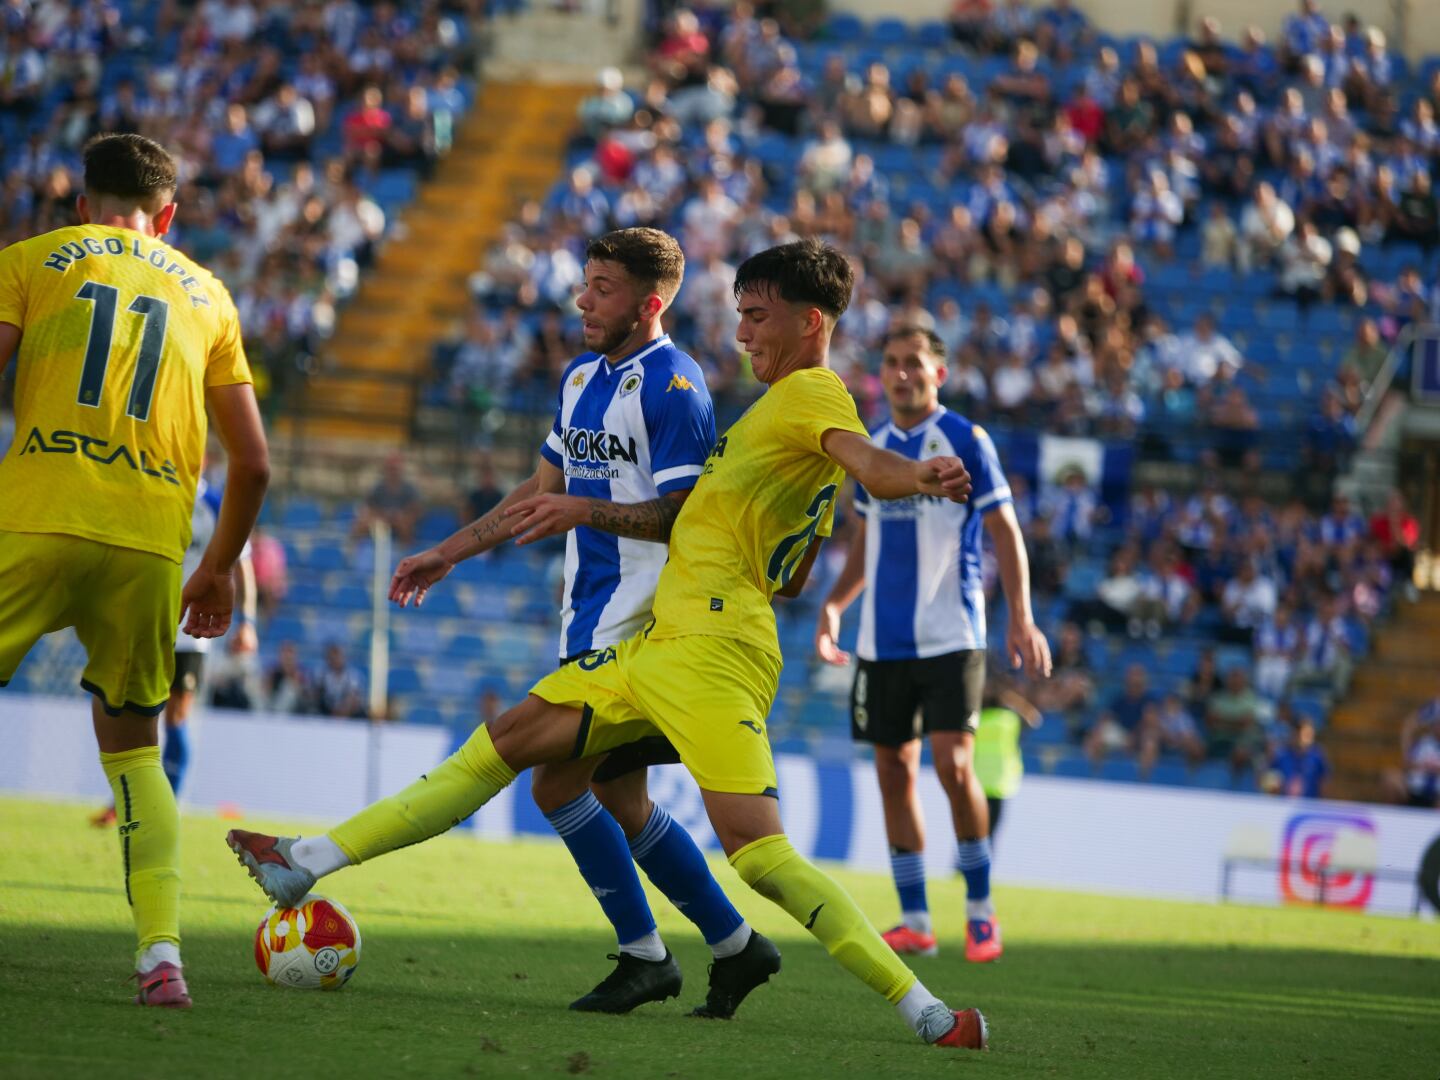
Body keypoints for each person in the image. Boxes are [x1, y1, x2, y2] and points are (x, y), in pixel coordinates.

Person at [227, 239, 989, 1050]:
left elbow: (867, 462)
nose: (740, 336)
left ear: (810, 322)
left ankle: (929, 1014)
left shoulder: (811, 393)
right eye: (739, 317)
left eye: (756, 318)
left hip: (712, 652)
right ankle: (307, 857)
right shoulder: (759, 415)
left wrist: (917, 477)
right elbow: (793, 572)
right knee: (513, 745)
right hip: (657, 647)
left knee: (759, 855)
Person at [303, 228, 769, 1019]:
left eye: (602, 290)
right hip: (587, 619)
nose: (582, 300)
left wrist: (583, 509)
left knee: (554, 781)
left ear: (649, 304)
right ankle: (731, 945)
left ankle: (650, 954)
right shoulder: (583, 375)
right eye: (584, 284)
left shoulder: (677, 387)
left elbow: (685, 516)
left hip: (646, 629)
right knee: (618, 799)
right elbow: (541, 483)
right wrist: (451, 551)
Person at [0, 133, 270, 1007]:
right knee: (135, 752)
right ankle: (162, 959)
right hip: (152, 544)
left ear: (82, 205)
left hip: (36, 519)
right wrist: (219, 569)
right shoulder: (209, 297)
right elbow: (254, 464)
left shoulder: (30, 260)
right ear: (168, 216)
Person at [813, 324, 1051, 962]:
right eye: (891, 363)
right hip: (882, 641)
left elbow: (1004, 526)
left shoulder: (967, 439)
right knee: (894, 771)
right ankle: (915, 919)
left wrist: (1021, 616)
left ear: (937, 374)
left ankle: (978, 909)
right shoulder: (873, 449)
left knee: (953, 765)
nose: (902, 374)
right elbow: (867, 538)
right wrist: (836, 603)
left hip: (952, 633)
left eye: (914, 364)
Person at [91, 474, 258, 823]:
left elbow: (243, 566)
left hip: (191, 631)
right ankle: (125, 799)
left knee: (177, 717)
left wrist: (247, 622)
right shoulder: (154, 490)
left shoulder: (216, 504)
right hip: (148, 622)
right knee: (134, 712)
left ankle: (171, 804)